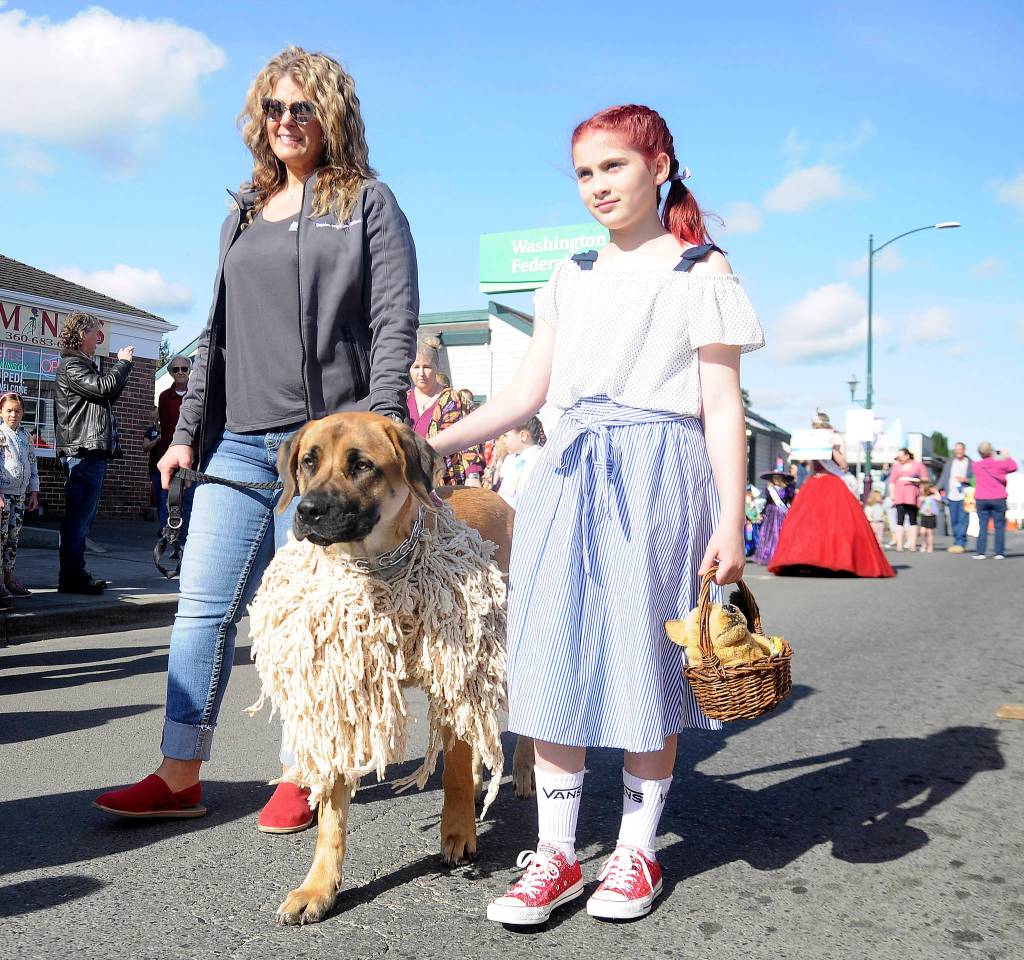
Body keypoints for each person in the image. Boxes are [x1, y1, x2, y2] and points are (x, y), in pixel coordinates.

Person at [431, 104, 763, 923]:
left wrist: (731, 518)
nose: (597, 186)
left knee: (648, 659)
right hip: (568, 472)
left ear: (659, 164)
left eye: (613, 166)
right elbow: (525, 394)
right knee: (552, 654)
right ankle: (553, 856)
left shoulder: (701, 272)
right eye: (584, 173)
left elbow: (723, 407)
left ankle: (635, 854)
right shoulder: (569, 275)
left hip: (660, 471)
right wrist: (428, 443)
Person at [92, 46, 419, 833]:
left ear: (331, 114)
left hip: (324, 457)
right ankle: (179, 773)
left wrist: (376, 429)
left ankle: (307, 767)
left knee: (309, 618)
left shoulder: (367, 203)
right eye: (273, 109)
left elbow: (393, 321)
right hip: (241, 444)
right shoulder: (242, 211)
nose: (285, 122)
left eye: (301, 107)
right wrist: (186, 437)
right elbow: (218, 333)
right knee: (202, 609)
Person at [54, 311, 134, 594]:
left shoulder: (82, 365)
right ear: (80, 334)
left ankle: (76, 574)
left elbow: (106, 393)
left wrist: (119, 370)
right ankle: (72, 577)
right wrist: (123, 364)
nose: (97, 338)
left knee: (83, 517)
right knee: (78, 517)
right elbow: (103, 388)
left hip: (90, 452)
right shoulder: (72, 365)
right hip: (82, 451)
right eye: (93, 332)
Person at [769, 412, 894, 578]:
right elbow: (812, 468)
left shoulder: (835, 438)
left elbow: (843, 465)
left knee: (835, 524)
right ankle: (805, 560)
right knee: (807, 524)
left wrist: (831, 449)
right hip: (815, 483)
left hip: (833, 482)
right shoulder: (812, 439)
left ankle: (836, 561)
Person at [407, 337, 484, 486]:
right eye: (416, 367)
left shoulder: (455, 398)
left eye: (427, 367)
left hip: (450, 481)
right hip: (412, 483)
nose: (421, 373)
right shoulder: (402, 400)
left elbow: (470, 435)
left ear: (437, 366)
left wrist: (473, 475)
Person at [0, 392, 39, 604]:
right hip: (3, 496)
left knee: (13, 539)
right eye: (9, 411)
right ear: (1, 412)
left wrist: (34, 491)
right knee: (1, 538)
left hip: (20, 496)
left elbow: (32, 464)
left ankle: (9, 578)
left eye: (17, 411)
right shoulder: (0, 434)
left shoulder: (26, 437)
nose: (13, 415)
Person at [156, 355, 193, 532]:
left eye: (184, 369)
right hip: (169, 453)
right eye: (176, 369)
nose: (180, 372)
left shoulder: (196, 396)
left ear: (189, 371)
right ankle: (168, 534)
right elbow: (163, 426)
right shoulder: (164, 397)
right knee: (167, 495)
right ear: (171, 372)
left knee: (188, 496)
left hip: (192, 456)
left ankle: (184, 537)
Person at [972, 442, 1017, 559]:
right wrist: (1004, 455)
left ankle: (981, 552)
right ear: (991, 450)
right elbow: (1013, 467)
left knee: (982, 526)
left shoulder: (977, 465)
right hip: (998, 497)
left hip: (982, 498)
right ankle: (999, 553)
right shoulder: (1001, 463)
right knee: (999, 526)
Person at [495, 416, 546, 509]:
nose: (503, 440)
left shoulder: (541, 458)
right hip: (503, 514)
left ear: (523, 436)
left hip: (526, 514)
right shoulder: (509, 460)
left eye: (506, 436)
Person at [887, 448, 929, 552]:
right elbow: (892, 481)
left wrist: (919, 486)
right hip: (900, 496)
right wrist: (892, 494)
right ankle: (899, 545)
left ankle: (912, 544)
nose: (899, 459)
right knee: (899, 520)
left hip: (912, 496)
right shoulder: (896, 466)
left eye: (901, 457)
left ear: (907, 456)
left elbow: (925, 479)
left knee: (912, 520)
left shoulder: (918, 465)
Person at [936, 442, 973, 553]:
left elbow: (975, 479)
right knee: (954, 519)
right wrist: (937, 488)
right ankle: (957, 541)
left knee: (963, 519)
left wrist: (966, 480)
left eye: (960, 449)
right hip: (951, 495)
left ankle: (961, 542)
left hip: (965, 495)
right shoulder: (950, 462)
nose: (958, 452)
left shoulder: (970, 463)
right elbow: (944, 477)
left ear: (964, 450)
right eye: (956, 449)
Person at [752, 471, 794, 566]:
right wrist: (762, 513)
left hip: (781, 513)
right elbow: (767, 501)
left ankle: (780, 554)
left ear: (782, 479)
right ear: (772, 479)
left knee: (780, 532)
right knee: (769, 534)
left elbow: (788, 502)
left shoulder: (786, 490)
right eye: (775, 478)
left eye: (779, 478)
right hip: (771, 513)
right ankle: (768, 555)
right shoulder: (770, 489)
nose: (777, 479)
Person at [142, 406, 162, 528]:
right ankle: (163, 525)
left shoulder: (170, 430)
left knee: (168, 498)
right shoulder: (151, 431)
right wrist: (156, 441)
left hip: (169, 470)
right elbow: (145, 447)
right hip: (155, 470)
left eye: (155, 416)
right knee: (159, 497)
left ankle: (166, 525)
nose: (154, 419)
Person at [917, 482, 939, 553]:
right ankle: (924, 544)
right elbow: (919, 502)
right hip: (924, 516)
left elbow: (939, 498)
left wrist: (935, 491)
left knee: (930, 532)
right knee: (922, 532)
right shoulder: (922, 497)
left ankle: (930, 546)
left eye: (922, 488)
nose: (920, 489)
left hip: (931, 516)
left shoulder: (933, 496)